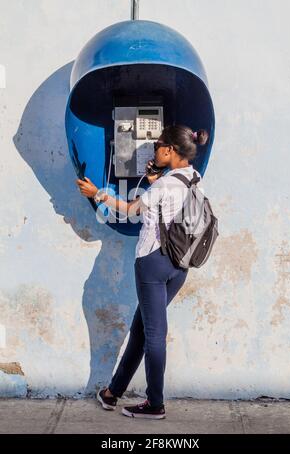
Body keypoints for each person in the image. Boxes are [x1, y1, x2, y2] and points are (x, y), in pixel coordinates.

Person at [76, 124, 205, 419]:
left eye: (157, 145)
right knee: (141, 330)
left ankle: (155, 404)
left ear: (170, 150)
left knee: (155, 334)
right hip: (179, 265)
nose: (153, 150)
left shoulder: (163, 186)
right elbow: (169, 208)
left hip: (153, 264)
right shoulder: (193, 178)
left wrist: (98, 193)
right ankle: (112, 393)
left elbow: (130, 210)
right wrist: (154, 179)